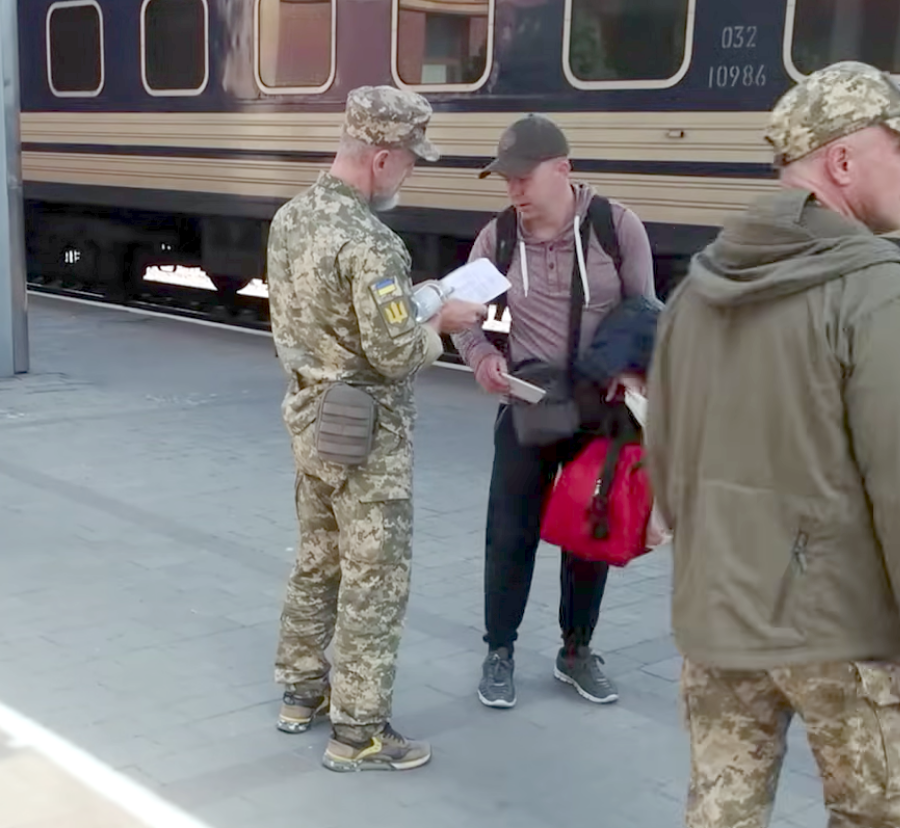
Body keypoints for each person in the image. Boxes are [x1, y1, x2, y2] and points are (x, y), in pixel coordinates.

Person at [645, 61, 900, 827]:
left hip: (720, 619)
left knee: (721, 816)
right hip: (850, 637)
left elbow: (666, 461)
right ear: (841, 161)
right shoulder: (885, 296)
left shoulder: (696, 292)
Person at [268, 85, 487, 773]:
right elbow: (395, 355)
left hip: (310, 420)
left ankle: (300, 692)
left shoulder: (290, 218)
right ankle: (359, 730)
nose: (409, 175)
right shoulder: (370, 241)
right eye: (411, 162)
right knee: (374, 579)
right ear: (383, 157)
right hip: (367, 438)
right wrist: (440, 324)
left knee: (315, 558)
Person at [454, 114, 657, 710]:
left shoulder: (616, 227)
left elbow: (646, 312)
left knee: (589, 534)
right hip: (528, 407)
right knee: (508, 534)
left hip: (601, 411)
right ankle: (499, 652)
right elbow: (460, 314)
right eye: (506, 179)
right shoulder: (498, 237)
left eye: (523, 176)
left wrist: (634, 369)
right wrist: (482, 358)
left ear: (563, 169)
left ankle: (576, 651)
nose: (514, 189)